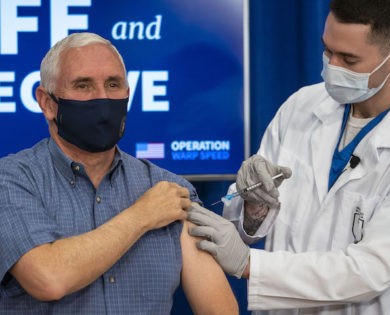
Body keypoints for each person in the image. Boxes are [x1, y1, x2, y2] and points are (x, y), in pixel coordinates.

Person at [187, 0, 390, 314]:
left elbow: (370, 271)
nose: (332, 67)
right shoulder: (303, 106)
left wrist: (249, 265)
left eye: (349, 60)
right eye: (327, 51)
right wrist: (253, 212)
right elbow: (243, 226)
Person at [0, 32, 238, 314]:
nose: (102, 99)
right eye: (83, 85)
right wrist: (142, 215)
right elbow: (47, 278)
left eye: (113, 84)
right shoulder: (13, 180)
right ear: (47, 102)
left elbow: (219, 309)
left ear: (127, 93)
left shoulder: (168, 189)